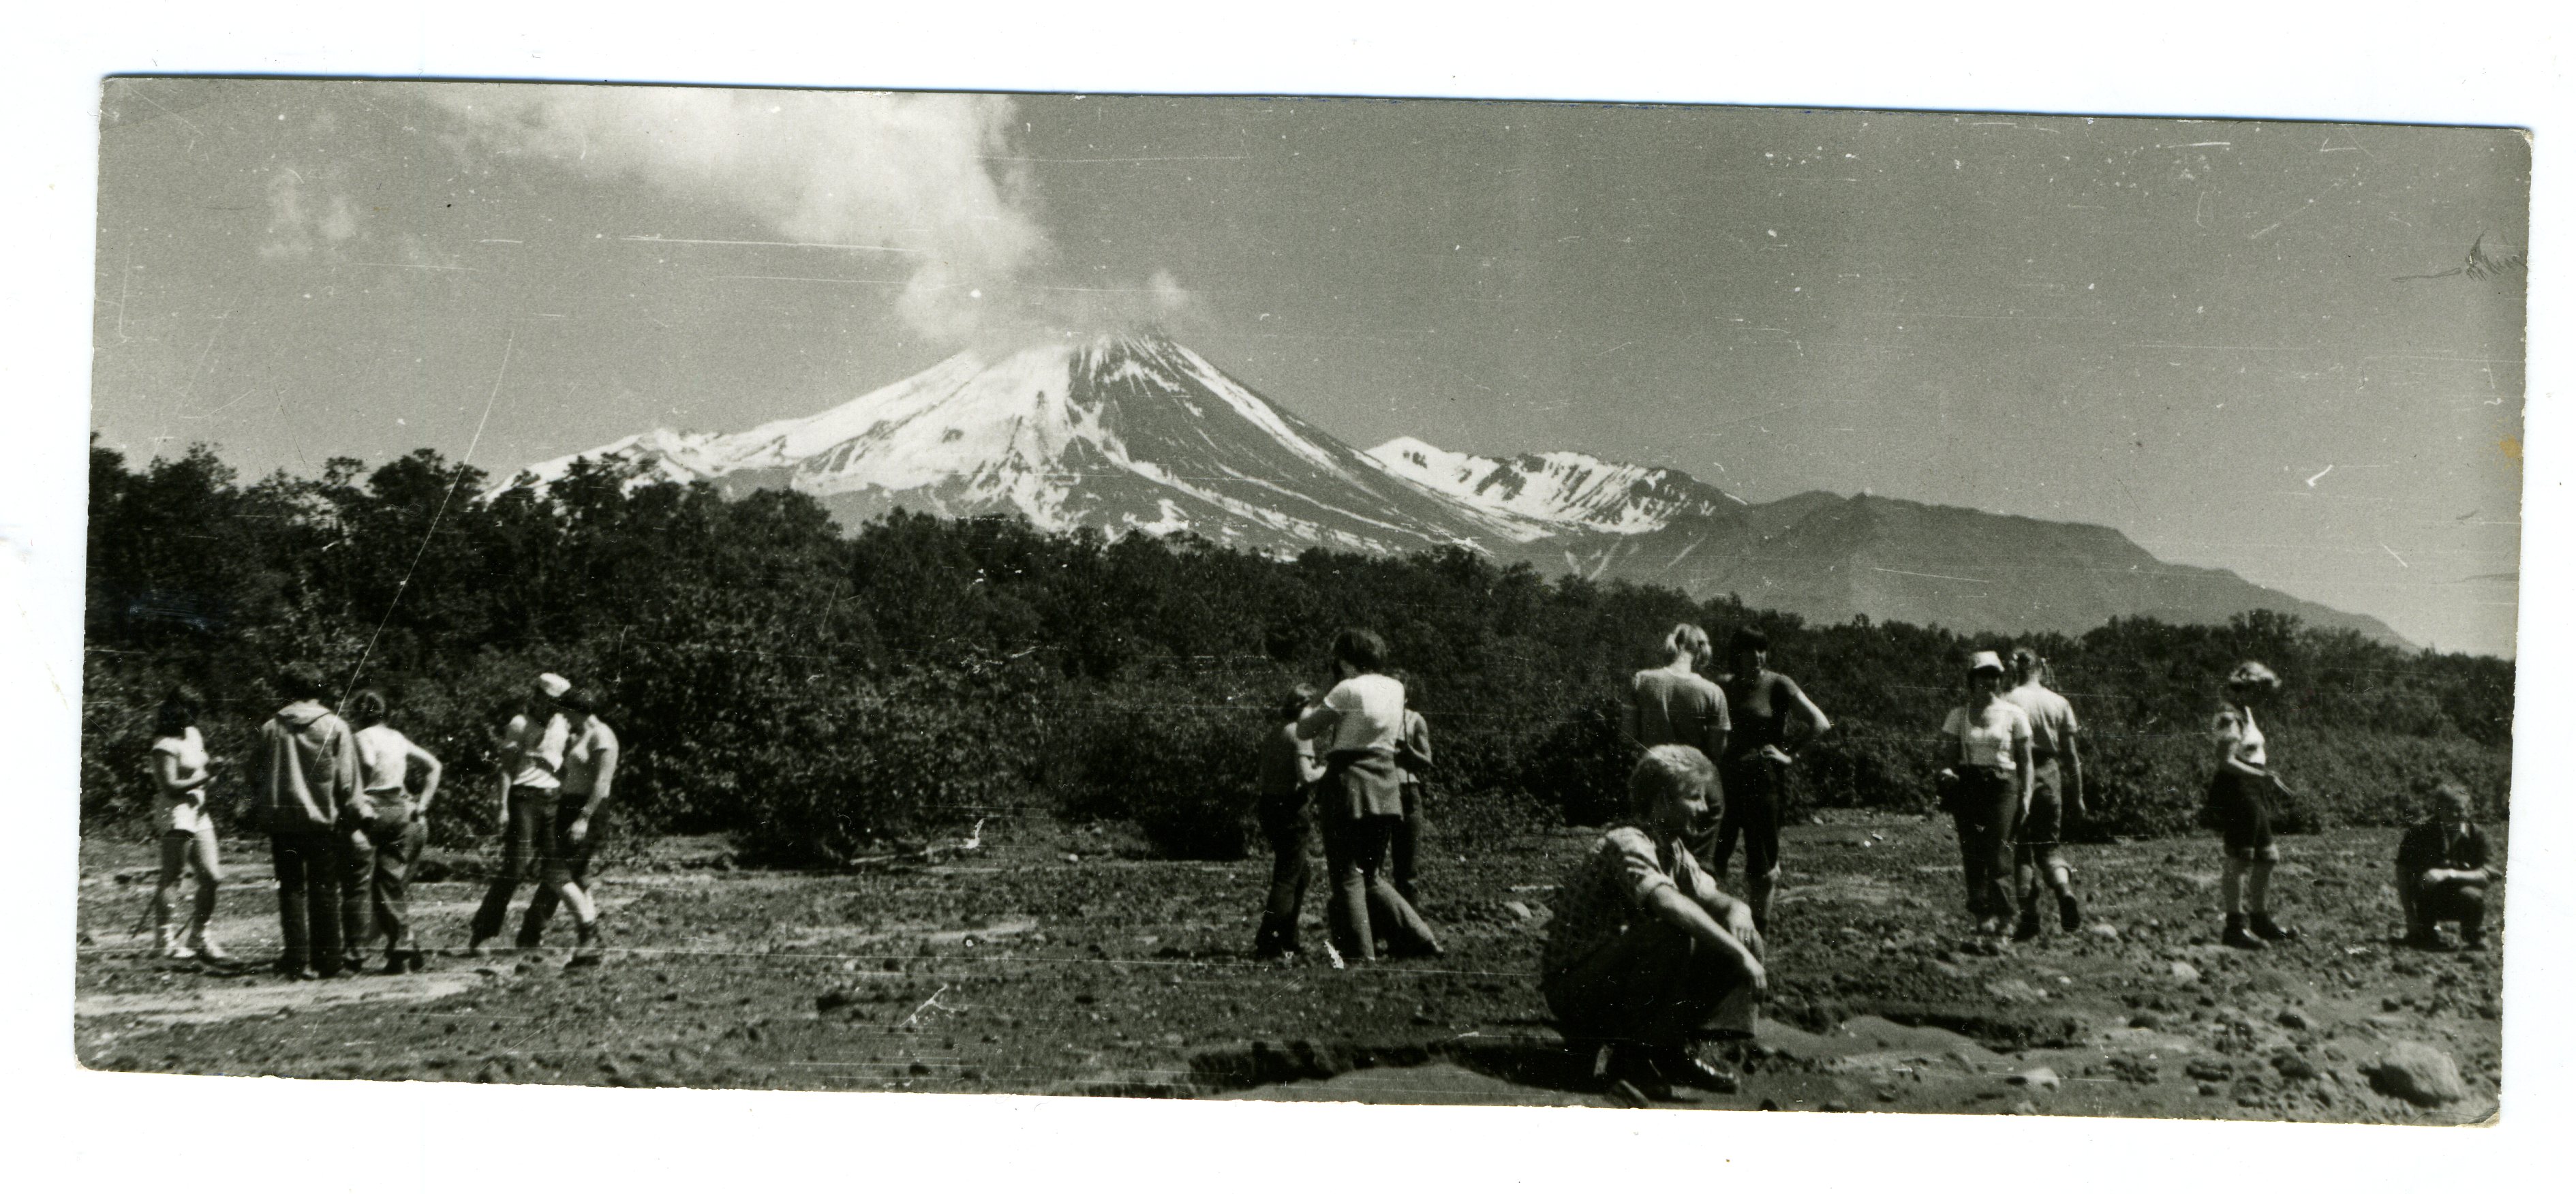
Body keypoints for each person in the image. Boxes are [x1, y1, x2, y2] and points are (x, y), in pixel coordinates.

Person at [1541, 745, 1765, 1103]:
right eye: (1694, 797)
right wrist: (1739, 954)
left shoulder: (1672, 848)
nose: (1705, 808)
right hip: (1576, 987)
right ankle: (1632, 1059)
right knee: (1670, 932)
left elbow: (1710, 896)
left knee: (1738, 931)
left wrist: (1739, 909)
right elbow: (1666, 902)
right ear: (1662, 800)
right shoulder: (1628, 841)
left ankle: (1669, 1051)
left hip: (1610, 976)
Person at [1294, 628, 1439, 963]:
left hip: (1349, 783)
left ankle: (1361, 955)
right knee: (1370, 876)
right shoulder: (1396, 687)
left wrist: (1320, 692)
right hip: (1386, 782)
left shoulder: (1346, 688)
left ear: (1344, 661)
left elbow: (1305, 729)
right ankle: (1420, 937)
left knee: (1346, 876)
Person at [1713, 627, 1830, 934]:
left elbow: (1820, 723)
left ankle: (1758, 937)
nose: (1757, 657)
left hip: (1763, 785)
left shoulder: (1779, 684)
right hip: (1725, 784)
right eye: (1749, 651)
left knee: (1762, 868)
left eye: (1762, 650)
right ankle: (1711, 933)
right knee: (1713, 861)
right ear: (1736, 655)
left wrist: (1791, 755)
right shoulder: (1724, 685)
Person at [251, 664, 361, 979]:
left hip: (282, 820)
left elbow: (254, 775)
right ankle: (329, 961)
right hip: (321, 821)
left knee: (291, 889)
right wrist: (352, 817)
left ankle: (296, 960)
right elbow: (347, 783)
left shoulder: (271, 728)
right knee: (325, 889)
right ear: (320, 689)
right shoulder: (336, 727)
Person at [467, 672, 572, 955]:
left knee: (556, 871)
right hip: (525, 798)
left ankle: (532, 932)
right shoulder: (519, 724)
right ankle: (484, 932)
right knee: (516, 867)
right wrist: (502, 807)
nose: (551, 709)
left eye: (556, 704)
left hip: (554, 798)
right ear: (536, 697)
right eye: (547, 702)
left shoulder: (564, 725)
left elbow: (567, 764)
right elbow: (506, 769)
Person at [519, 686, 619, 967]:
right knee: (576, 877)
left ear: (576, 711)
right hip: (568, 806)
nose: (562, 717)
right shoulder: (580, 736)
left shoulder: (603, 736)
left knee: (555, 873)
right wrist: (548, 766)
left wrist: (584, 818)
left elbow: (602, 782)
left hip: (588, 810)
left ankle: (590, 934)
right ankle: (587, 945)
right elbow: (571, 774)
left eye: (564, 712)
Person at [1937, 650, 2033, 936]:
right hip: (1969, 784)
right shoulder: (1958, 714)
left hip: (2004, 785)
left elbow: (2026, 761)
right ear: (1972, 679)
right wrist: (1946, 771)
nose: (1988, 681)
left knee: (1999, 852)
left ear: (2000, 679)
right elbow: (1947, 755)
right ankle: (1982, 917)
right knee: (1973, 853)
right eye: (1982, 675)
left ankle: (2004, 919)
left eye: (1993, 675)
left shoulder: (2015, 714)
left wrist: (2026, 796)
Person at [2207, 661, 2299, 950]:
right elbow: (2225, 760)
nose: (2263, 698)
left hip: (2252, 788)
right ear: (2246, 687)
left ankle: (2260, 919)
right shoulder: (2229, 715)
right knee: (2241, 857)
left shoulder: (2244, 712)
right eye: (2260, 691)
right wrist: (2261, 776)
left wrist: (2263, 779)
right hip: (2237, 789)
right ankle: (2235, 926)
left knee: (2267, 856)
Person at [350, 690, 443, 973]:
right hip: (401, 807)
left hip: (375, 805)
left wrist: (358, 791)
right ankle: (404, 946)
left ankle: (361, 948)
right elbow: (434, 766)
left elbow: (366, 762)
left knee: (362, 880)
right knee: (390, 881)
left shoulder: (361, 737)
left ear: (357, 716)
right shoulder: (396, 738)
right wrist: (423, 804)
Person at [2001, 647, 2086, 939]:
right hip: (2050, 774)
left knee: (2021, 850)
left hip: (2016, 772)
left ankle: (2030, 917)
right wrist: (2078, 794)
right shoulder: (2059, 703)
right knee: (2049, 848)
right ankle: (2064, 891)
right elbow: (2072, 756)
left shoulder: (2007, 701)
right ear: (2041, 669)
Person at [144, 688, 230, 962]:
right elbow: (169, 786)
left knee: (212, 876)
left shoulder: (193, 734)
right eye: (190, 711)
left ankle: (200, 935)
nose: (195, 717)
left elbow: (201, 771)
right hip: (175, 812)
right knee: (174, 875)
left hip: (198, 809)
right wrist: (205, 779)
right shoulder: (164, 744)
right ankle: (164, 940)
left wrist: (214, 775)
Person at [1251, 685, 1325, 961]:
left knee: (1300, 874)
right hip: (1290, 810)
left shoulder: (1276, 731)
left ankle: (1289, 938)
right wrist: (1331, 768)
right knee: (1288, 878)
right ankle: (1269, 940)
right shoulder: (1301, 733)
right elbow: (1306, 777)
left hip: (1269, 806)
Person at [2395, 780, 2498, 951]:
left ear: (2468, 810)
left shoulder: (2477, 835)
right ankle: (2426, 930)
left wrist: (2449, 873)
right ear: (2437, 810)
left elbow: (2489, 873)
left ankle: (2473, 932)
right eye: (2448, 810)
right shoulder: (2418, 833)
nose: (2455, 815)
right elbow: (2402, 873)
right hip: (2427, 897)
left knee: (2472, 896)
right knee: (2421, 938)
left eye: (2460, 810)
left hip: (2464, 897)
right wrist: (2409, 916)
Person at [1390, 685, 1434, 907]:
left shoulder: (1414, 720)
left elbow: (1427, 760)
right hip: (1381, 790)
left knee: (1408, 871)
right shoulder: (1374, 717)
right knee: (1372, 869)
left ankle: (1408, 935)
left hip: (1407, 791)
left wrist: (1410, 752)